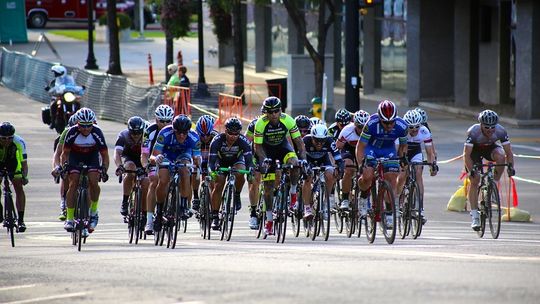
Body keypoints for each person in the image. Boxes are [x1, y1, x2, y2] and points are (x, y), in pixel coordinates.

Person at [254, 96, 307, 235]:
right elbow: (258, 147)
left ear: (280, 110)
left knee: (295, 164)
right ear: (265, 112)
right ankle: (269, 220)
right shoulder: (260, 124)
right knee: (268, 187)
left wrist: (303, 159)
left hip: (283, 148)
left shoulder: (288, 120)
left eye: (276, 111)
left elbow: (299, 143)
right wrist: (264, 160)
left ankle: (293, 192)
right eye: (270, 112)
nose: (273, 115)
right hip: (267, 151)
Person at [355, 100, 408, 227]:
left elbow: (403, 146)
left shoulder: (402, 126)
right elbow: (360, 146)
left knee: (391, 178)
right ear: (379, 119)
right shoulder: (371, 124)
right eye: (386, 122)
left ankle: (389, 211)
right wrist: (360, 164)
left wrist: (402, 159)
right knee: (367, 176)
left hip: (388, 150)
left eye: (391, 122)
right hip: (371, 149)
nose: (389, 125)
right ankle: (363, 196)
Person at [61, 108, 110, 236]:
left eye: (89, 126)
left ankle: (93, 212)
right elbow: (64, 154)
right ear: (78, 123)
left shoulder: (97, 132)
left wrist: (104, 169)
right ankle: (70, 218)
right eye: (82, 126)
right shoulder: (71, 132)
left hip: (92, 156)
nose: (86, 129)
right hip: (75, 157)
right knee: (73, 183)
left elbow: (105, 155)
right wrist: (64, 166)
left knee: (94, 181)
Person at [464, 109, 515, 231]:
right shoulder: (473, 132)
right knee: (475, 180)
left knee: (501, 156)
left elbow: (509, 152)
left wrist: (510, 167)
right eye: (487, 127)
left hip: (490, 148)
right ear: (481, 124)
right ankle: (475, 215)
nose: (490, 130)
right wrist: (471, 171)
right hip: (474, 152)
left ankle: (493, 184)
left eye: (493, 127)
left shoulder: (501, 131)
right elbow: (466, 155)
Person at [150, 114, 201, 233]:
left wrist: (198, 161)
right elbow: (154, 154)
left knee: (185, 171)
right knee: (163, 180)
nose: (182, 135)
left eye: (184, 133)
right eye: (179, 133)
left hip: (184, 155)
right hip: (167, 155)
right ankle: (159, 210)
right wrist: (156, 158)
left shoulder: (194, 137)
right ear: (173, 130)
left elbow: (196, 157)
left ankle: (183, 205)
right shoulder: (165, 133)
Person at [208, 117, 254, 230]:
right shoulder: (217, 140)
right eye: (230, 133)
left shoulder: (244, 142)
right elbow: (211, 163)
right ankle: (215, 216)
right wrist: (213, 172)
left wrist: (250, 173)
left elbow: (249, 162)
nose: (233, 136)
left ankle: (237, 194)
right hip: (220, 161)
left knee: (240, 172)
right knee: (219, 184)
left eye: (236, 134)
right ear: (225, 131)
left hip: (236, 160)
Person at [396, 109, 438, 224]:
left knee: (418, 173)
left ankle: (420, 207)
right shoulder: (401, 131)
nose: (414, 130)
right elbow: (398, 150)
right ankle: (396, 201)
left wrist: (432, 165)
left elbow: (430, 152)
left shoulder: (424, 131)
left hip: (415, 151)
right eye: (411, 127)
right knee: (402, 175)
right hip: (403, 151)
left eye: (416, 127)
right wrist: (399, 163)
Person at [141, 104, 174, 234]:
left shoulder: (175, 129)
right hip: (154, 158)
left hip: (170, 158)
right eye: (162, 121)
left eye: (168, 121)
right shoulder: (150, 131)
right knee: (154, 181)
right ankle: (149, 221)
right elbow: (144, 152)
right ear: (156, 120)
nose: (165, 124)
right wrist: (145, 165)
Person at [302, 124, 344, 219]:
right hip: (309, 160)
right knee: (308, 177)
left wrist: (340, 167)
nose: (319, 144)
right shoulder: (305, 141)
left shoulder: (330, 141)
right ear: (312, 137)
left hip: (323, 159)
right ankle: (307, 208)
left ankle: (326, 202)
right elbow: (300, 156)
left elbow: (338, 158)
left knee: (330, 175)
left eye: (322, 141)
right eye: (316, 140)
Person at [115, 116, 149, 221]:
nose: (136, 136)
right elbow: (117, 153)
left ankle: (144, 213)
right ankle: (125, 201)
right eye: (133, 133)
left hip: (144, 158)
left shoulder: (147, 135)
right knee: (130, 169)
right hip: (129, 158)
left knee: (146, 182)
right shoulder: (123, 135)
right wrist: (120, 166)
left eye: (139, 133)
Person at [335, 110, 370, 210]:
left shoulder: (371, 131)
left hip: (364, 150)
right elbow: (338, 147)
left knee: (369, 171)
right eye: (359, 127)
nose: (362, 130)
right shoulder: (347, 130)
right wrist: (338, 163)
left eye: (365, 127)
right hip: (349, 149)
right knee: (349, 169)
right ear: (354, 124)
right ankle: (345, 199)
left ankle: (364, 196)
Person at [52, 112, 81, 221]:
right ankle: (64, 201)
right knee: (66, 174)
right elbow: (57, 155)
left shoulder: (90, 131)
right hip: (68, 155)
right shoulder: (65, 134)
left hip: (84, 154)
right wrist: (57, 168)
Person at [0, 122, 28, 232]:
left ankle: (21, 220)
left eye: (9, 138)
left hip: (13, 163)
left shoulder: (19, 142)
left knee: (18, 186)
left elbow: (24, 163)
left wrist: (24, 176)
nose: (7, 141)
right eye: (3, 138)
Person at [192, 115, 218, 212]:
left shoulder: (216, 137)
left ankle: (213, 205)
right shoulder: (194, 137)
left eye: (208, 134)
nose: (205, 137)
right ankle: (195, 196)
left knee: (213, 182)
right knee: (194, 171)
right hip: (198, 159)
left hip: (212, 160)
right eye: (202, 135)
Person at [45, 65, 84, 130]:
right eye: (56, 73)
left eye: (57, 73)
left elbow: (74, 86)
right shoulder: (56, 80)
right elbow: (53, 89)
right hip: (60, 96)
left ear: (62, 72)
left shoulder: (70, 78)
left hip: (69, 94)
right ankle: (53, 121)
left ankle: (80, 120)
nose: (56, 74)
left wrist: (81, 88)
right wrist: (49, 89)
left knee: (78, 103)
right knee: (53, 105)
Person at [245, 116, 262, 229]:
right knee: (254, 182)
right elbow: (246, 143)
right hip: (255, 155)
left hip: (271, 152)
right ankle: (253, 212)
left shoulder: (279, 124)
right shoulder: (254, 124)